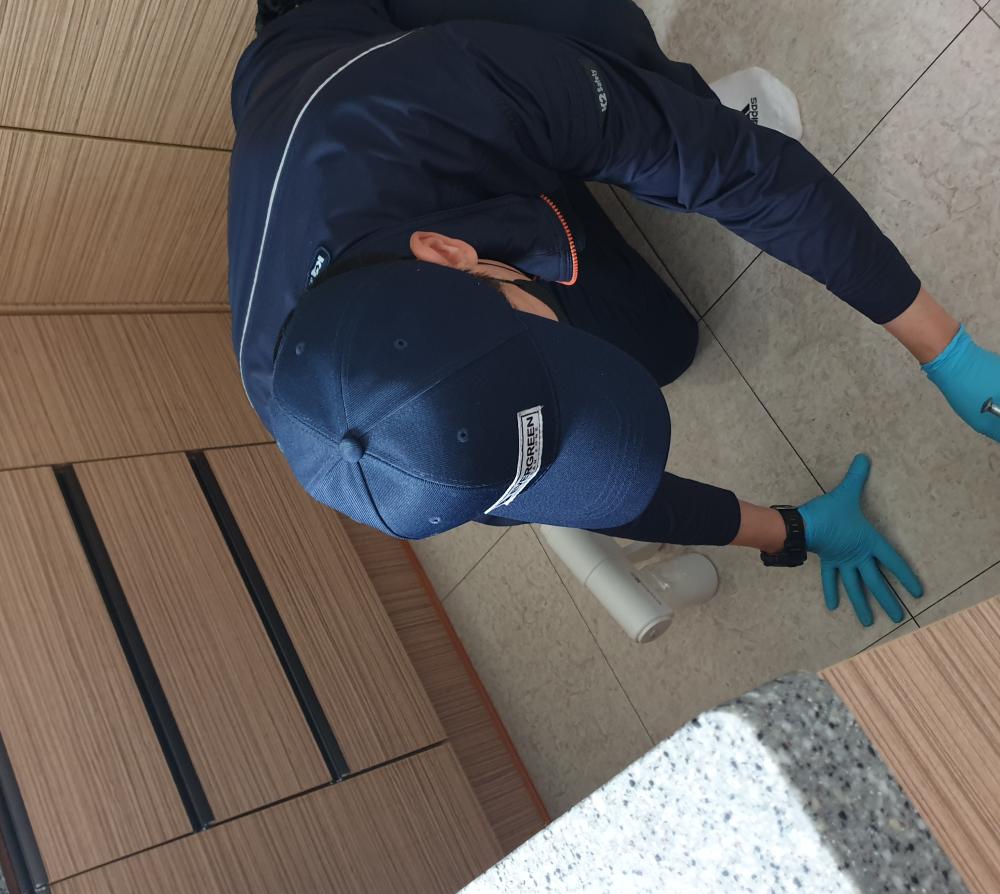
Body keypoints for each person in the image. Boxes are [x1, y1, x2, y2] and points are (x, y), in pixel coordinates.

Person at [229, 0, 1000, 628]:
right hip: (387, 188)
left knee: (627, 74)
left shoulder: (454, 88)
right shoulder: (396, 465)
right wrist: (792, 531)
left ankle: (673, 108)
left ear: (449, 254)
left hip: (356, 36)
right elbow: (605, 491)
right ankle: (569, 155)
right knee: (661, 346)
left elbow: (749, 178)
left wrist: (948, 353)